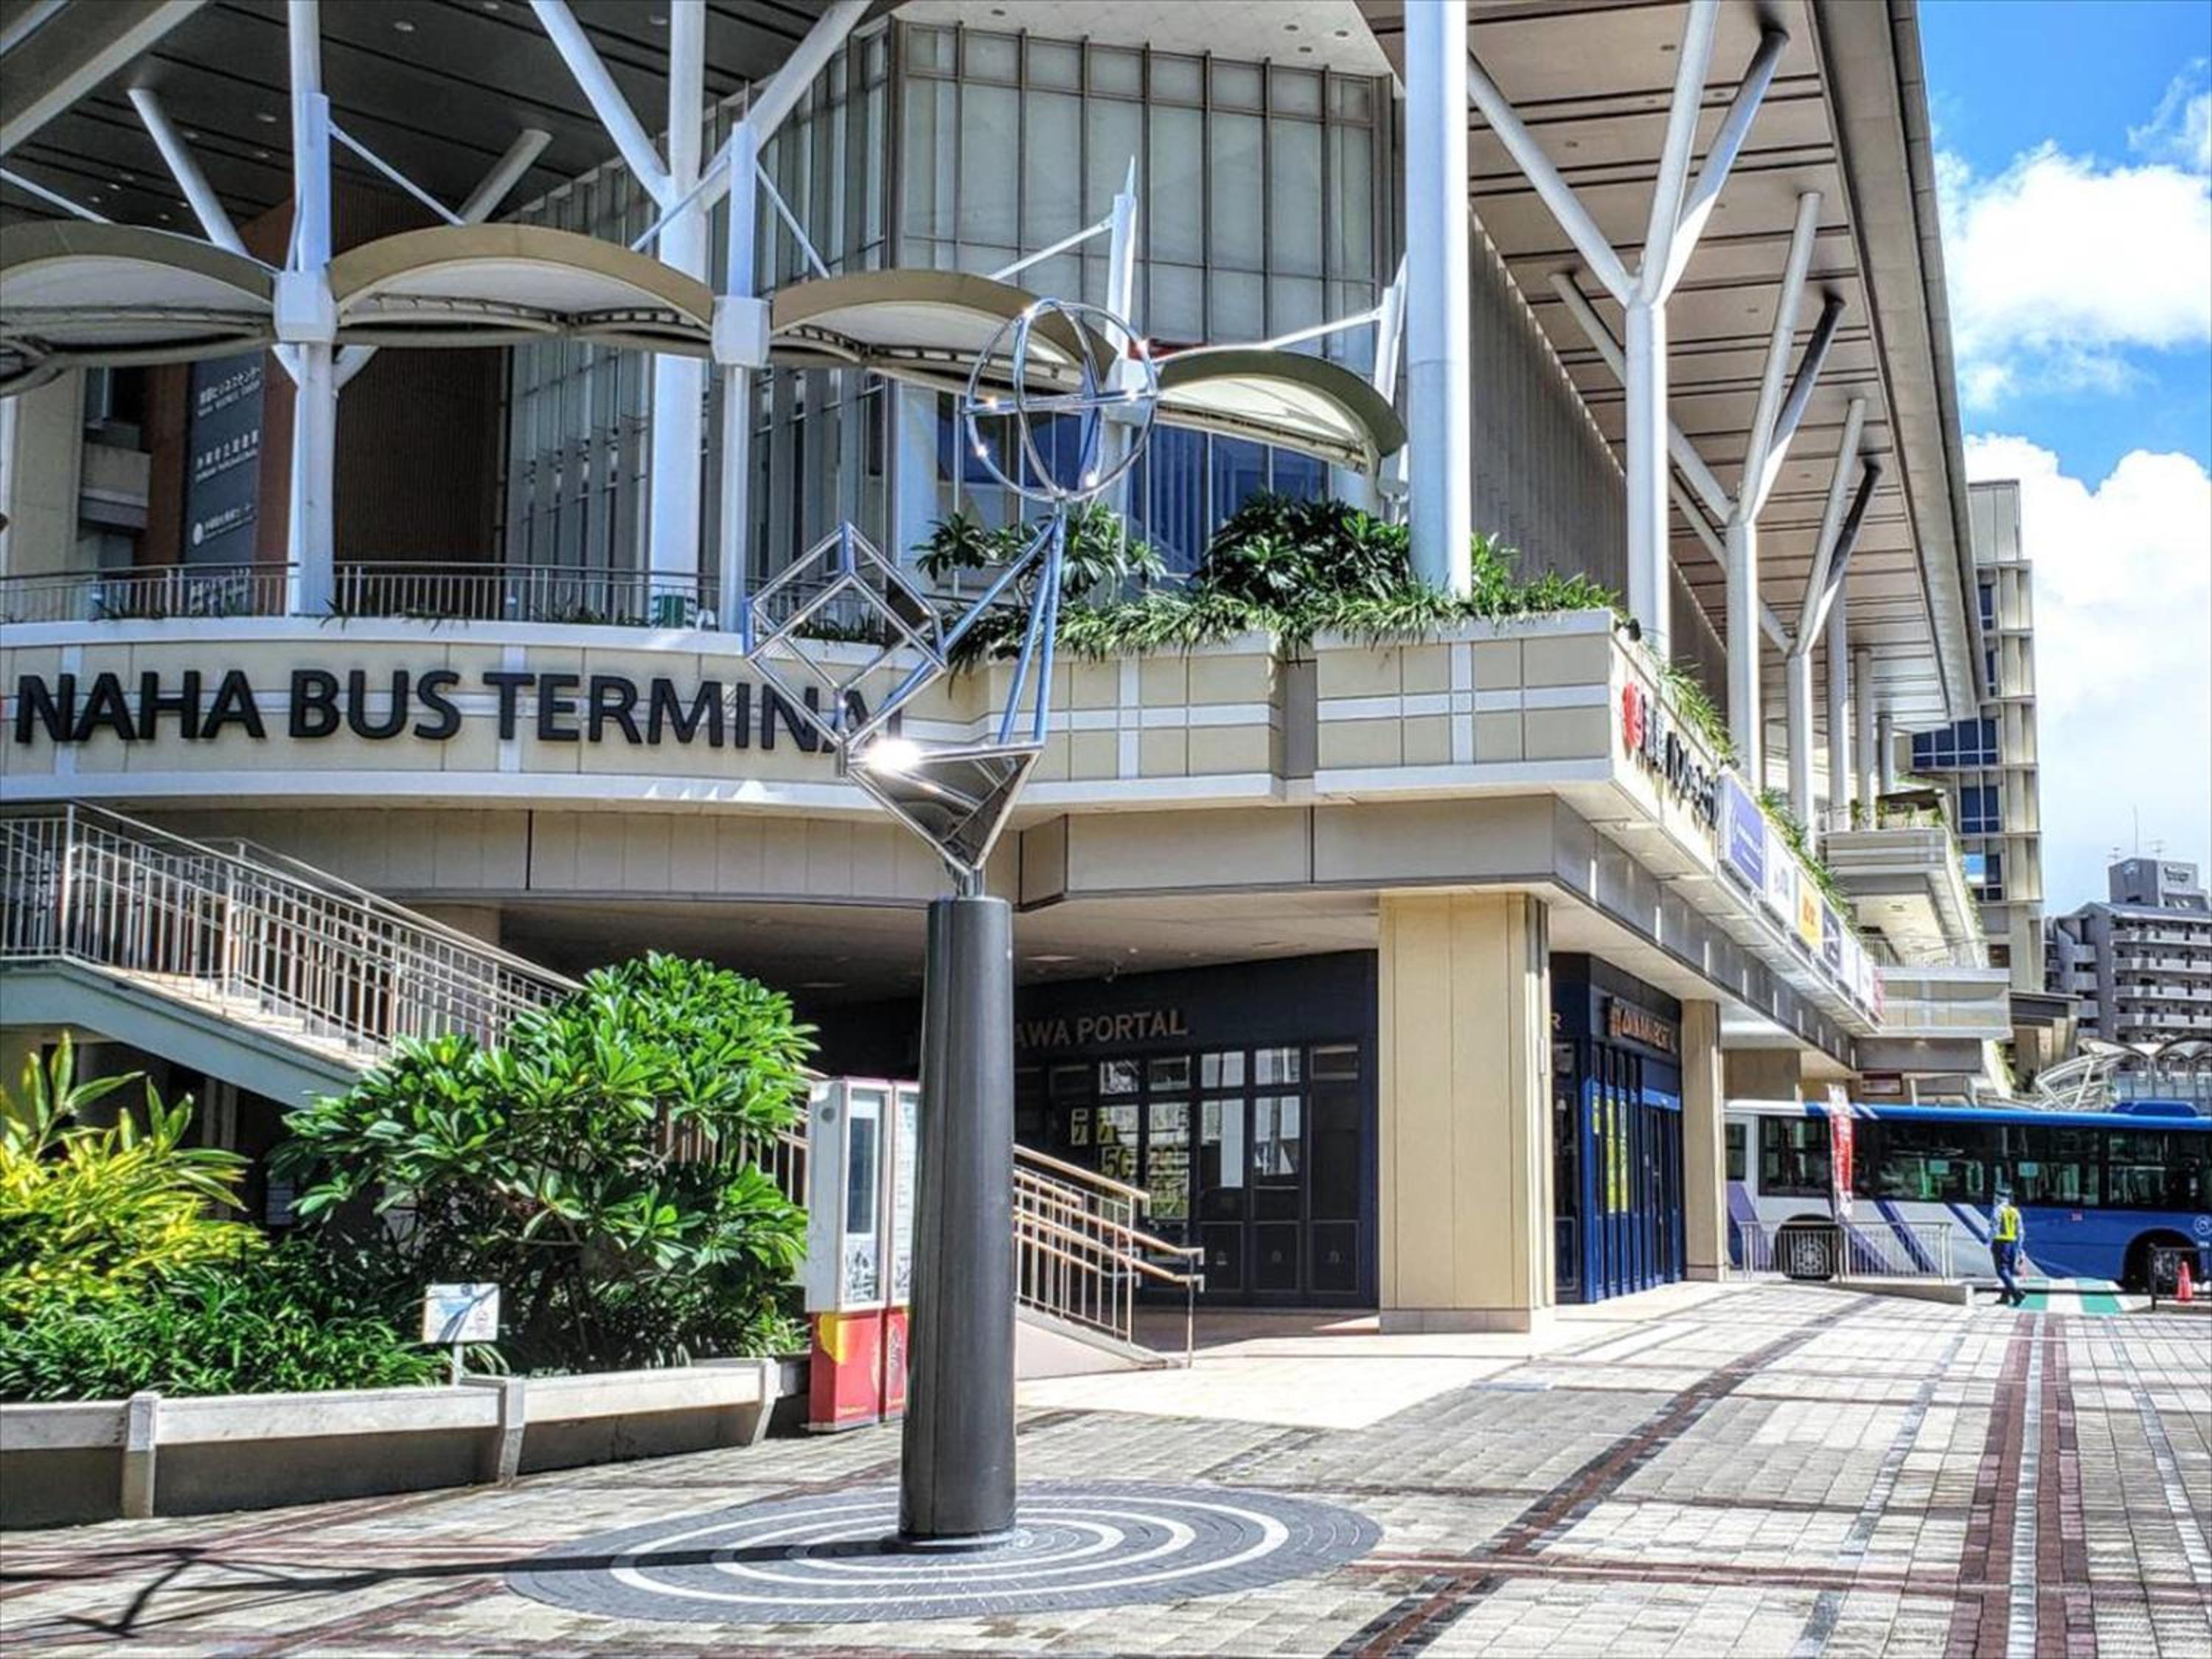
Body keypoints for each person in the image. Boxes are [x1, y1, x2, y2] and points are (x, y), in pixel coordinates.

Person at [1991, 1191, 2025, 1308]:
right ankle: (2005, 1297)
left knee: (2001, 1270)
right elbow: (2021, 1232)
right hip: (2012, 1244)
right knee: (2009, 1271)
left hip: (2000, 1243)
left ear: (1998, 1198)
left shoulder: (1998, 1210)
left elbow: (1994, 1228)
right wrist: (2020, 1248)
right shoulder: (2015, 1211)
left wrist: (1989, 1242)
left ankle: (2016, 1294)